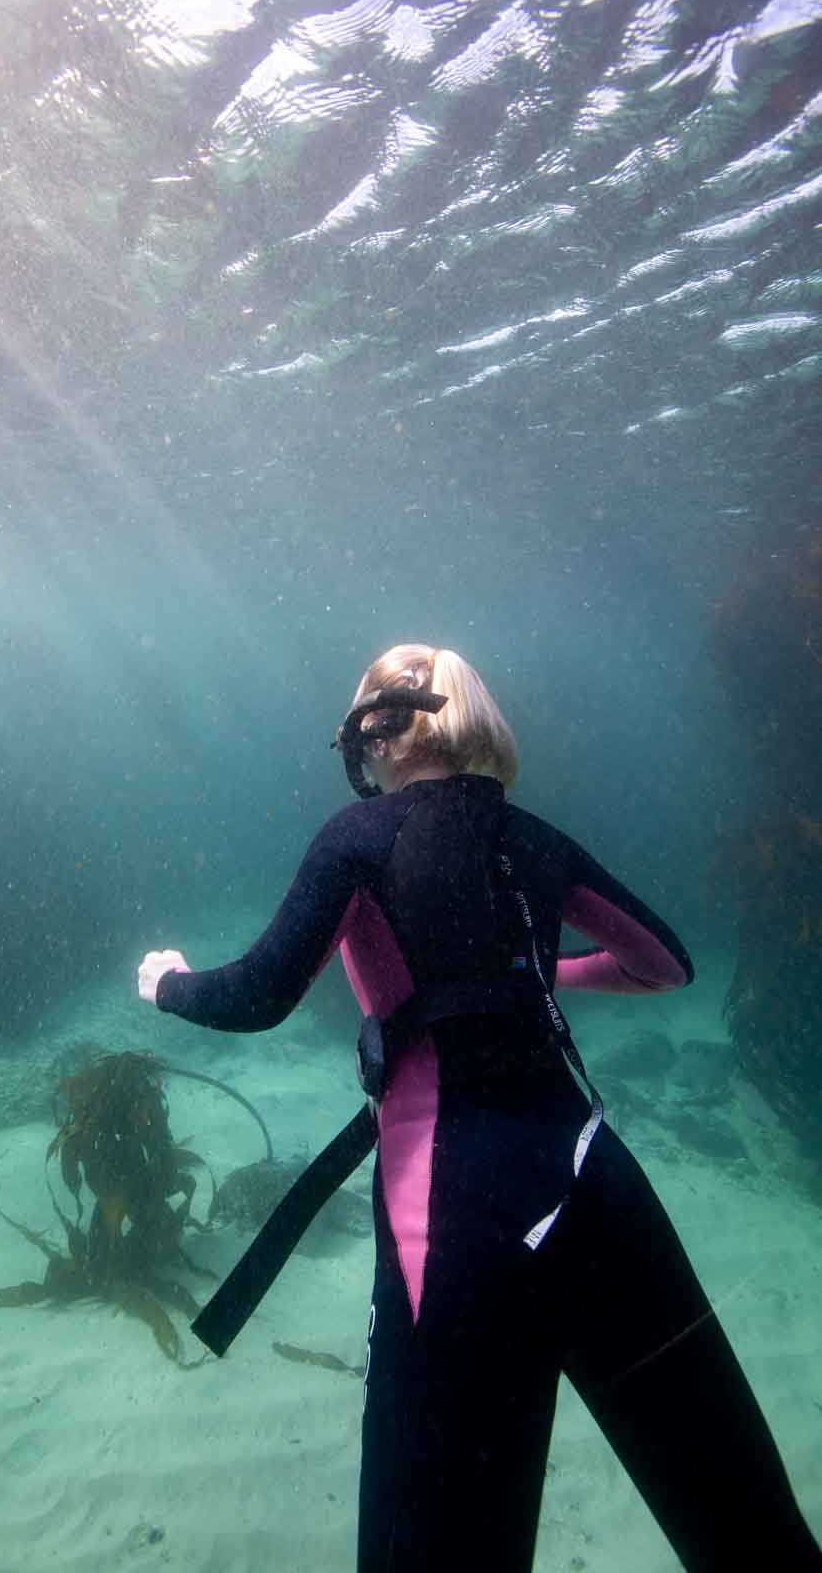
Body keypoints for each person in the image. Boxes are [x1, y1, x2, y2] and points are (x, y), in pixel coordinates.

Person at [138, 643, 821, 1572]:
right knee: (741, 1521)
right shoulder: (537, 839)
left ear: (376, 732)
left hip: (452, 1217)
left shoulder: (356, 838)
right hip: (595, 1184)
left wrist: (167, 984)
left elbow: (257, 995)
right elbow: (666, 966)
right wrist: (539, 978)